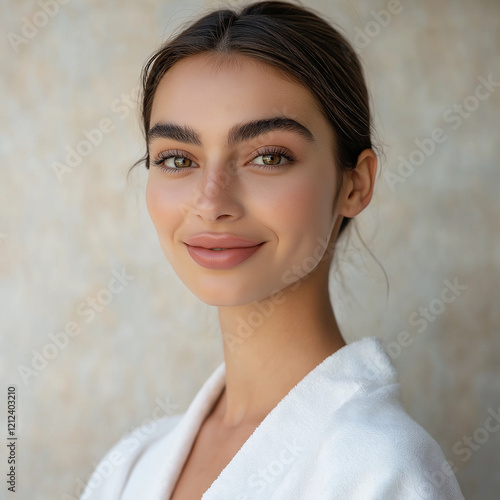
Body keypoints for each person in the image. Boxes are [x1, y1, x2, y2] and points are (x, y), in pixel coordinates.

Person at [82, 1, 464, 498]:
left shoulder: (381, 469)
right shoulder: (130, 466)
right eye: (178, 158)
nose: (212, 202)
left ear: (355, 184)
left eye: (268, 156)